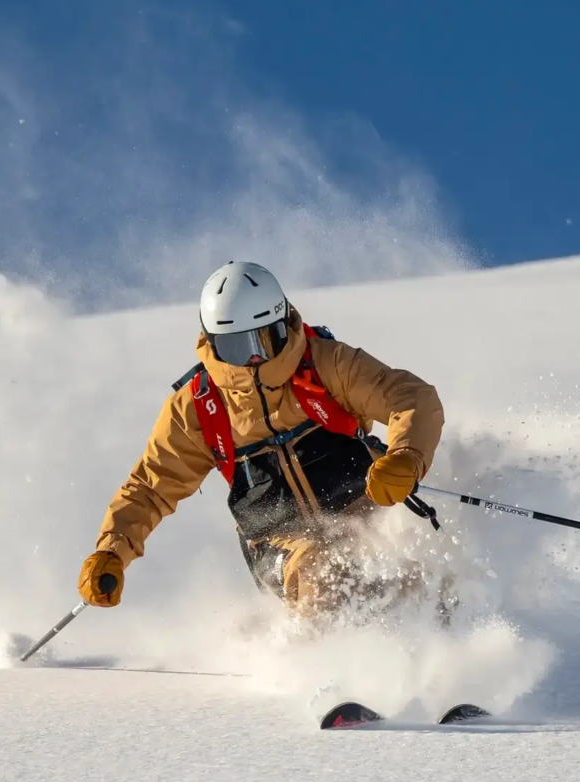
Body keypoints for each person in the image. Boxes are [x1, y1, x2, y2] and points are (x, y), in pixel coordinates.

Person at [78, 261, 445, 616]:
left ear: (284, 323)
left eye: (267, 340)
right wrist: (112, 552)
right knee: (320, 571)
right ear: (214, 343)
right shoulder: (198, 406)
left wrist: (406, 457)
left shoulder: (324, 364)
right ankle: (331, 666)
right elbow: (149, 488)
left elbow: (410, 397)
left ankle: (455, 638)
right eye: (239, 346)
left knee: (413, 563)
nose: (255, 358)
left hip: (362, 509)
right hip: (279, 540)